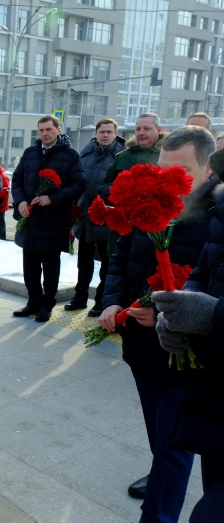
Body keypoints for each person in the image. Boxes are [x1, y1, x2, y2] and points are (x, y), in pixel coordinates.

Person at [99, 126, 219, 519]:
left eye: (179, 171)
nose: (166, 179)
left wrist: (170, 312)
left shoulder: (217, 217)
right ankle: (160, 470)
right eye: (162, 168)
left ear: (206, 167)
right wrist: (113, 300)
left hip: (186, 358)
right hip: (142, 348)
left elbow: (210, 288)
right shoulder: (148, 201)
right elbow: (121, 259)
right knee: (161, 437)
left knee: (173, 447)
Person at [153, 147, 224, 523]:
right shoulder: (222, 206)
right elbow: (205, 268)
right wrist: (180, 311)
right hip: (214, 378)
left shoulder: (206, 207)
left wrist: (211, 315)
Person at [11, 115, 86, 322]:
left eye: (49, 130)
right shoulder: (30, 153)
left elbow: (79, 184)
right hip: (30, 219)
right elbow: (16, 180)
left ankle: (46, 305)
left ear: (58, 130)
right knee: (30, 267)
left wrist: (52, 198)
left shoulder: (70, 155)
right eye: (41, 130)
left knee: (50, 268)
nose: (45, 133)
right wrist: (20, 201)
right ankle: (33, 302)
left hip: (53, 221)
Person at [65, 118, 126, 317]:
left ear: (116, 134)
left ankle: (100, 301)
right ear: (96, 134)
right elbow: (78, 182)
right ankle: (79, 297)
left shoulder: (122, 155)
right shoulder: (86, 153)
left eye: (109, 132)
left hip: (107, 220)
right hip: (85, 218)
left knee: (106, 266)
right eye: (102, 132)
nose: (105, 135)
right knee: (84, 263)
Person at [104, 113, 167, 256]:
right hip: (122, 227)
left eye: (147, 128)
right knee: (113, 270)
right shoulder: (124, 156)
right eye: (138, 129)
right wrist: (116, 192)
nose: (141, 133)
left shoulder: (167, 156)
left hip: (153, 230)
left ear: (159, 129)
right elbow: (106, 185)